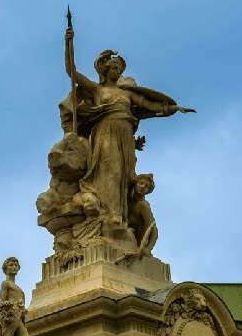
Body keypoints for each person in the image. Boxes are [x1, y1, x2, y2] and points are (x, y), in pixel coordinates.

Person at [64, 28, 195, 226]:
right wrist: (69, 43)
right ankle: (107, 215)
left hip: (124, 133)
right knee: (110, 172)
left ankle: (118, 216)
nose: (118, 71)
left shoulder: (126, 94)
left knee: (123, 175)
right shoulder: (97, 90)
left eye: (120, 69)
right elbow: (71, 71)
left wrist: (174, 108)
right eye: (114, 67)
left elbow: (149, 105)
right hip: (105, 131)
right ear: (106, 69)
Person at [0, 257, 32, 336]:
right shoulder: (5, 284)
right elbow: (0, 303)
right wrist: (11, 304)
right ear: (5, 268)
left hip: (18, 318)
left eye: (15, 265)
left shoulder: (19, 289)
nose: (14, 267)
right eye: (11, 265)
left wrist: (23, 310)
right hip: (9, 319)